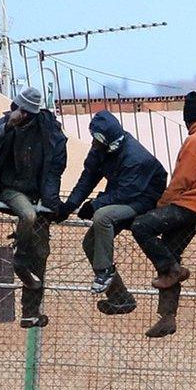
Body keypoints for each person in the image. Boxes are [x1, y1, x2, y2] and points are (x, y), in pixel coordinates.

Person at [131, 91, 196, 338]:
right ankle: (167, 316)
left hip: (188, 207)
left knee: (141, 226)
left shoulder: (195, 142)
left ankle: (172, 270)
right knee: (170, 253)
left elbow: (181, 180)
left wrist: (160, 205)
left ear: (188, 118)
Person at [56, 111, 167, 316]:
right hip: (121, 194)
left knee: (103, 216)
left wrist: (95, 205)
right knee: (90, 243)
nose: (94, 143)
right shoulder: (100, 148)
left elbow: (127, 192)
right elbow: (87, 177)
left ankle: (104, 272)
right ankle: (120, 298)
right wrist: (70, 205)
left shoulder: (135, 157)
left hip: (143, 199)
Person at [0, 87, 67, 328]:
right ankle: (19, 259)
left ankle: (30, 312)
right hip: (10, 189)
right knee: (27, 215)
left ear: (28, 113)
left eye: (20, 110)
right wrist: (8, 126)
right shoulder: (6, 123)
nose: (15, 112)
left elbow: (55, 167)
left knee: (40, 254)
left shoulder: (49, 130)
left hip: (37, 194)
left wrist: (50, 200)